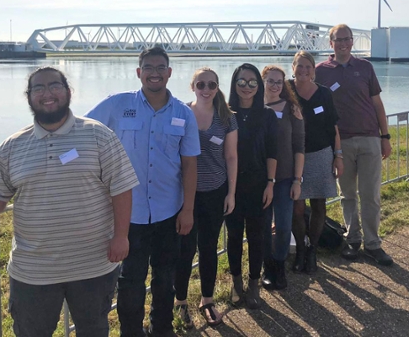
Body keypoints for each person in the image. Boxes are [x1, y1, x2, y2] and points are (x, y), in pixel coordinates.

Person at [0, 66, 139, 337]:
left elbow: (122, 188)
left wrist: (121, 236)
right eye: (39, 88)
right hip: (33, 269)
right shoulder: (12, 146)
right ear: (29, 96)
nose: (48, 93)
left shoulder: (99, 135)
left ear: (68, 92)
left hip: (93, 264)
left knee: (93, 330)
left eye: (55, 86)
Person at [86, 46, 200, 337]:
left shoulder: (183, 114)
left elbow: (189, 165)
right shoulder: (117, 105)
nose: (154, 73)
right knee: (131, 280)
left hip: (168, 211)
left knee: (165, 277)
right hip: (129, 214)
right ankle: (131, 332)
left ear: (170, 73)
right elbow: (83, 131)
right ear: (139, 72)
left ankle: (161, 328)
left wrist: (187, 210)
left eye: (160, 67)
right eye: (148, 67)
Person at [315, 24, 393, 266]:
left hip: (370, 138)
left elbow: (377, 104)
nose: (343, 43)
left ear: (352, 41)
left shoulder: (365, 67)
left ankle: (373, 244)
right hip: (341, 143)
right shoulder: (320, 71)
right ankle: (352, 239)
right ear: (331, 43)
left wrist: (385, 136)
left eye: (347, 39)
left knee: (370, 195)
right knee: (347, 194)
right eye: (338, 40)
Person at [173, 67, 238, 327]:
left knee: (209, 248)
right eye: (201, 84)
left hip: (215, 191)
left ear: (217, 86)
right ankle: (179, 302)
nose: (206, 89)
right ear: (193, 87)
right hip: (183, 196)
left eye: (211, 84)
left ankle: (207, 300)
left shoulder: (226, 117)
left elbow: (231, 157)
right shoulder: (181, 113)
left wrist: (231, 193)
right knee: (184, 250)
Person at [226, 63, 278, 310]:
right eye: (241, 82)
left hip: (258, 184)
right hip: (230, 185)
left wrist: (270, 183)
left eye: (252, 82)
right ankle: (236, 282)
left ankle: (254, 284)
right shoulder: (225, 113)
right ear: (234, 84)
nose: (246, 87)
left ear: (259, 85)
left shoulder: (267, 115)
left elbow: (272, 151)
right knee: (234, 236)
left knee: (257, 236)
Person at [289, 51, 344, 274]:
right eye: (300, 66)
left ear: (314, 69)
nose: (304, 71)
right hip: (294, 156)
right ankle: (300, 249)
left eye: (308, 67)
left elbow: (334, 128)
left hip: (322, 153)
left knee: (319, 205)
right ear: (293, 67)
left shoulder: (324, 93)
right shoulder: (285, 90)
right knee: (297, 207)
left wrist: (338, 156)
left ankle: (312, 251)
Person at [260, 65, 304, 290]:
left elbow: (299, 146)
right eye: (270, 81)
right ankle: (267, 266)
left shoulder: (292, 109)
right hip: (260, 179)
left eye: (279, 81)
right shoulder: (253, 106)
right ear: (262, 81)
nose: (275, 85)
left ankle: (279, 264)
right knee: (264, 226)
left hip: (285, 177)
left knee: (284, 225)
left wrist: (297, 179)